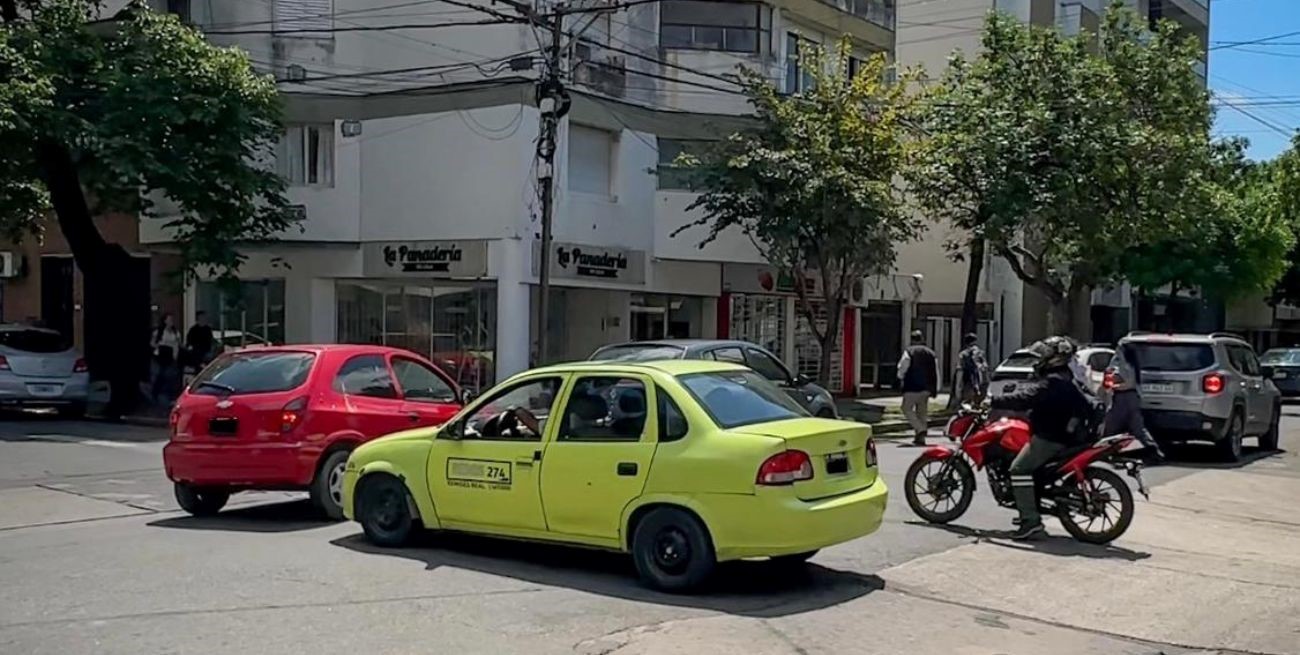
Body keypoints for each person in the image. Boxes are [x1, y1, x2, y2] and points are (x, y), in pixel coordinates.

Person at [991, 336, 1096, 540]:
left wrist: (995, 401)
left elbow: (1025, 399)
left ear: (1055, 358)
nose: (1040, 360)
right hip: (1063, 434)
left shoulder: (1053, 382)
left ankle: (1031, 522)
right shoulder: (1066, 377)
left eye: (1045, 356)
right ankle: (1030, 505)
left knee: (1018, 469)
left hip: (1051, 437)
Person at [1104, 342, 1165, 461]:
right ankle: (1154, 451)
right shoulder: (1133, 364)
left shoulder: (1123, 364)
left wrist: (1113, 384)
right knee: (1138, 428)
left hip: (1122, 397)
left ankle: (1105, 454)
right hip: (1132, 397)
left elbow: (1122, 381)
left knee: (1111, 428)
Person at [898, 330, 939, 446]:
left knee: (906, 408)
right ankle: (920, 438)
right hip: (926, 387)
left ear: (912, 340)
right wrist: (936, 387)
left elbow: (903, 366)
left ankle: (920, 429)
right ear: (922, 339)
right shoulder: (931, 353)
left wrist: (900, 377)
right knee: (922, 412)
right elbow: (936, 371)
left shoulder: (909, 351)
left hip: (912, 386)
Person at [151, 314, 182, 404]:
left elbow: (178, 344)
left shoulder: (175, 332)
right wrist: (160, 346)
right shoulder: (159, 332)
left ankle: (169, 395)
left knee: (171, 376)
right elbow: (152, 343)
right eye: (169, 319)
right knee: (162, 374)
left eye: (171, 319)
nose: (171, 321)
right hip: (162, 356)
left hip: (172, 356)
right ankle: (156, 393)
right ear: (165, 321)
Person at [957, 333, 989, 405]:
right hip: (979, 377)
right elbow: (985, 366)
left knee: (967, 397)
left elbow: (960, 366)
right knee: (979, 398)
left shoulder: (963, 354)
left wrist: (958, 384)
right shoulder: (980, 352)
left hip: (967, 377)